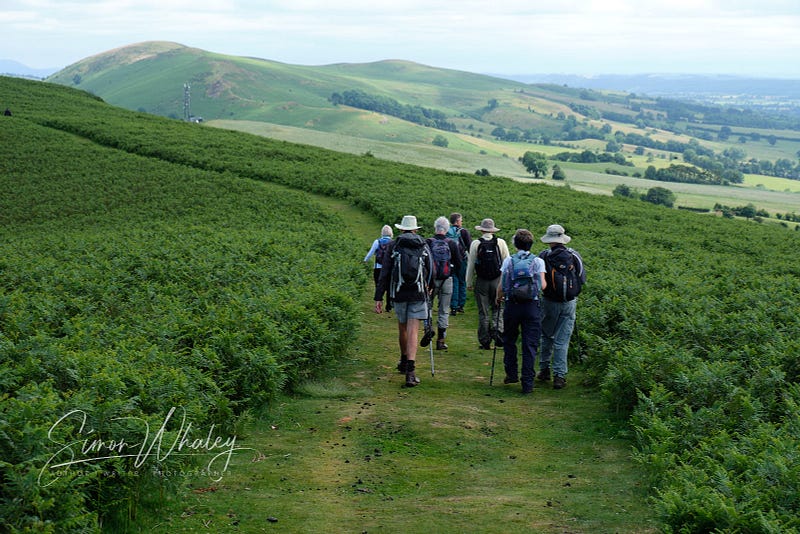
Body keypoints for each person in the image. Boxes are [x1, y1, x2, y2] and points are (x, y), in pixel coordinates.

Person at [374, 215, 434, 387]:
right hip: (417, 292)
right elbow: (431, 270)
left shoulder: (394, 245)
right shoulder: (423, 243)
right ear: (415, 229)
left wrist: (379, 297)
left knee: (403, 328)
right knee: (413, 330)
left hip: (399, 292)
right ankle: (411, 372)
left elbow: (385, 272)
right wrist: (430, 288)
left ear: (401, 229)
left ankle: (403, 359)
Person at [496, 229, 546, 394]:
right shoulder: (538, 261)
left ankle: (511, 374)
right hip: (532, 306)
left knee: (509, 340)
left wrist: (498, 297)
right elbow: (543, 285)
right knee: (529, 344)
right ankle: (528, 383)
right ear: (531, 244)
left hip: (512, 305)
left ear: (515, 244)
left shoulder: (509, 261)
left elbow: (503, 285)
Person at [537, 224, 586, 390]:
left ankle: (544, 370)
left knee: (547, 336)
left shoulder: (543, 256)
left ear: (549, 240)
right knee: (562, 340)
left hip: (549, 302)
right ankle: (559, 376)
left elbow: (538, 280)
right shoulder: (574, 255)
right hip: (569, 303)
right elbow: (582, 278)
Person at [466, 218, 510, 350]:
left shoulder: (476, 243)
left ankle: (485, 341)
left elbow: (471, 264)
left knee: (483, 311)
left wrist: (469, 282)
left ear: (481, 230)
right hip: (497, 280)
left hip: (481, 281)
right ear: (492, 230)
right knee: (498, 308)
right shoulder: (500, 242)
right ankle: (498, 331)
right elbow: (507, 263)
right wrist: (506, 282)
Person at [426, 216, 463, 350]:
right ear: (447, 229)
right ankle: (441, 340)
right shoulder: (452, 243)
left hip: (430, 281)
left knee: (428, 306)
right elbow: (459, 263)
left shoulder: (428, 242)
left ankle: (428, 330)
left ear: (435, 228)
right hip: (447, 279)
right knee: (444, 309)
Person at [446, 212, 471, 315]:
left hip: (451, 260)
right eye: (461, 220)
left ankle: (453, 307)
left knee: (454, 282)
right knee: (462, 282)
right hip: (462, 260)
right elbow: (469, 246)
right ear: (457, 221)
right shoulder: (464, 231)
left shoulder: (447, 231)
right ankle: (461, 305)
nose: (462, 222)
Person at [364, 224, 393, 290]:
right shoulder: (392, 242)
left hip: (378, 267)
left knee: (378, 287)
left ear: (382, 233)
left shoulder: (377, 241)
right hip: (389, 268)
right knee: (389, 287)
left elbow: (370, 253)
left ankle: (378, 299)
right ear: (391, 233)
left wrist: (365, 260)